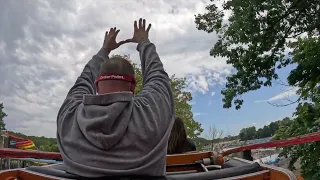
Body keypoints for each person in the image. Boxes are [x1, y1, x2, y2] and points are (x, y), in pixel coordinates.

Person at [56, 18, 175, 178]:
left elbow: (83, 80)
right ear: (133, 87)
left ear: (96, 86)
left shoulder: (69, 117)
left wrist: (104, 50)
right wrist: (144, 42)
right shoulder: (151, 113)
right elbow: (157, 76)